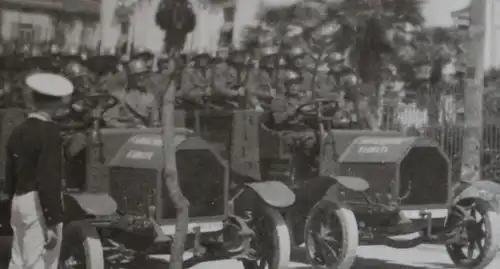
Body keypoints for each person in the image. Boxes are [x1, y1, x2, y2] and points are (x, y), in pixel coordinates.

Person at [4, 72, 73, 269]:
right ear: (57, 103)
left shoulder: (19, 130)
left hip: (19, 201)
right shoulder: (50, 132)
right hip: (38, 205)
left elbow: (10, 174)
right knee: (40, 263)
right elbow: (48, 179)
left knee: (17, 261)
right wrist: (52, 220)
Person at [269, 70, 318, 165]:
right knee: (310, 137)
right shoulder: (279, 100)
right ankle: (303, 166)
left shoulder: (303, 100)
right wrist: (293, 112)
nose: (294, 87)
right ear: (285, 86)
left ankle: (312, 164)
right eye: (290, 84)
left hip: (303, 130)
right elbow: (278, 120)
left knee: (322, 136)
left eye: (296, 84)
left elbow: (311, 112)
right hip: (286, 132)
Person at [103, 55, 159, 128]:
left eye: (143, 74)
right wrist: (129, 126)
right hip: (122, 136)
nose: (141, 77)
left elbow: (154, 124)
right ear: (130, 76)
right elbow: (108, 121)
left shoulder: (150, 98)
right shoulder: (118, 96)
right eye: (137, 75)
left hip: (144, 136)